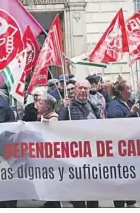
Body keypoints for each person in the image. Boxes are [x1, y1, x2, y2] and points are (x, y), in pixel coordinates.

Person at [59, 80, 100, 208]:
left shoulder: (93, 105)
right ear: (75, 90)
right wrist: (64, 108)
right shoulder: (68, 106)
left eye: (86, 88)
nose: (83, 91)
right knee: (78, 185)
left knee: (93, 185)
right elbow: (59, 125)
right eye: (80, 88)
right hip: (75, 152)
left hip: (92, 152)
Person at [107, 80, 139, 208]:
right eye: (129, 88)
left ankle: (131, 201)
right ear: (121, 92)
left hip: (131, 145)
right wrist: (131, 112)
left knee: (130, 175)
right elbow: (118, 124)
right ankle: (119, 204)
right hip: (119, 146)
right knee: (120, 176)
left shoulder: (130, 102)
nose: (132, 91)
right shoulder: (114, 105)